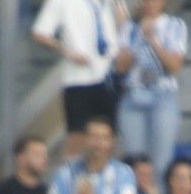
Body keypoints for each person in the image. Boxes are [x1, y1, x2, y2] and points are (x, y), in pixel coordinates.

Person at [30, 0, 124, 156]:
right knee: (77, 137)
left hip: (108, 75)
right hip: (79, 79)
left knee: (109, 136)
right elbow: (39, 33)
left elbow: (121, 25)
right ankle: (70, 176)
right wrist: (68, 52)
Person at [113, 0, 186, 175]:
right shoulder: (129, 27)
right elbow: (120, 66)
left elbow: (174, 66)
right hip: (133, 96)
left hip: (163, 96)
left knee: (162, 163)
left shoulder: (175, 25)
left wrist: (153, 39)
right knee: (133, 162)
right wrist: (139, 37)